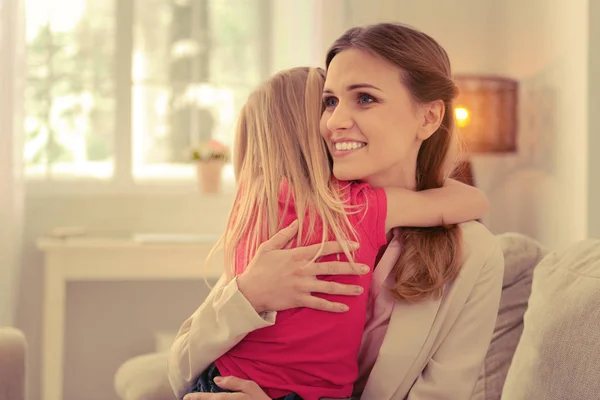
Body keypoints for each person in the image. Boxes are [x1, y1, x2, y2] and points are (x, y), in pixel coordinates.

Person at [169, 22, 505, 400]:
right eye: (330, 102)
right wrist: (247, 294)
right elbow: (180, 367)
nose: (334, 122)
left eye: (364, 98)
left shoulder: (475, 254)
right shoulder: (288, 218)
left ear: (428, 118)